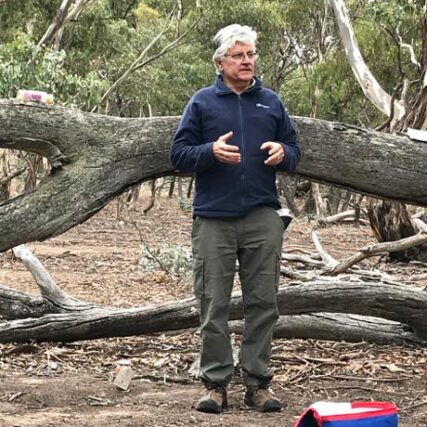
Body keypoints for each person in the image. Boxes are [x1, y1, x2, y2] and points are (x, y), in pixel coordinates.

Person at [170, 23, 301, 413]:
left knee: (264, 303)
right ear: (220, 62)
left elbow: (294, 149)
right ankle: (215, 385)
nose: (247, 61)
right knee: (213, 304)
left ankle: (258, 384)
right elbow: (178, 155)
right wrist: (210, 151)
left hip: (262, 216)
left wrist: (284, 153)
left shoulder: (270, 102)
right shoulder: (202, 102)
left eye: (250, 54)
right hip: (214, 219)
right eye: (238, 55)